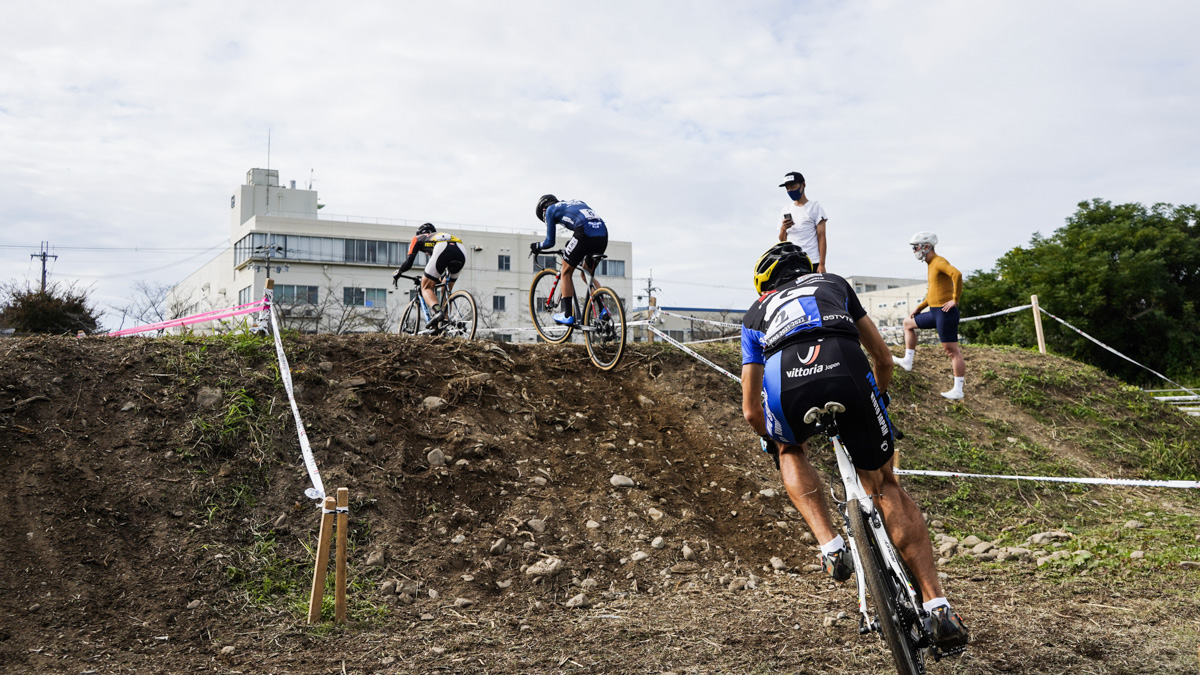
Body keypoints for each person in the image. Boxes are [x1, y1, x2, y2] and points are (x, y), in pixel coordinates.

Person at [740, 242, 969, 650]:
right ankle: (938, 606)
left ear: (763, 284)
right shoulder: (833, 282)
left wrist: (771, 439)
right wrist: (877, 401)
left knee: (789, 450)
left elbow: (750, 411)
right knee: (884, 484)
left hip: (785, 383)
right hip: (844, 364)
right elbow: (882, 357)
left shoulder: (755, 313)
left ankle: (829, 545)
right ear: (806, 268)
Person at [894, 231, 966, 400]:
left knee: (951, 351)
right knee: (907, 323)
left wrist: (955, 299)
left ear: (926, 247)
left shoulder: (939, 261)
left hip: (946, 313)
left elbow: (957, 274)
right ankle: (907, 361)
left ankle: (958, 390)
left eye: (915, 247)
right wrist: (919, 308)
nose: (914, 251)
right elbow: (933, 294)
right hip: (934, 312)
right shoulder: (930, 264)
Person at [529, 195, 608, 325]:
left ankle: (567, 315)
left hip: (584, 233)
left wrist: (537, 246)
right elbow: (582, 220)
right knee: (586, 273)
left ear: (543, 210)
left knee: (565, 272)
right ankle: (603, 309)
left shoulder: (549, 210)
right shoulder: (575, 202)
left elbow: (550, 242)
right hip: (602, 234)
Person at [392, 223, 466, 328]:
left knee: (425, 287)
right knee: (446, 287)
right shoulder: (438, 236)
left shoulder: (417, 239)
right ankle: (445, 321)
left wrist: (398, 272)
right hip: (461, 249)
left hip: (442, 248)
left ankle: (437, 312)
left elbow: (409, 263)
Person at [777, 171, 829, 273]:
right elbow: (782, 241)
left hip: (812, 261)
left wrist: (822, 264)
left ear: (803, 185)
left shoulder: (815, 207)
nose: (790, 190)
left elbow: (821, 236)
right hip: (792, 262)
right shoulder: (785, 210)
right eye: (787, 188)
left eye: (793, 187)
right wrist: (783, 229)